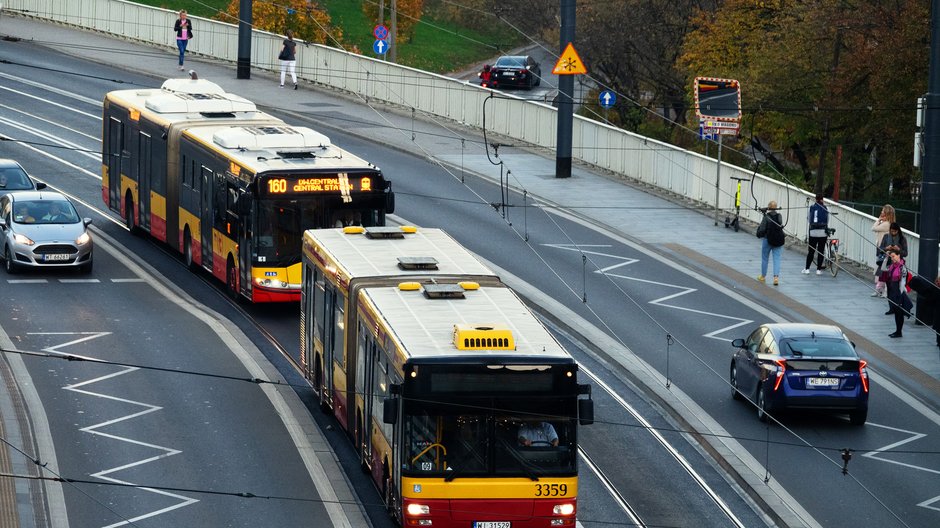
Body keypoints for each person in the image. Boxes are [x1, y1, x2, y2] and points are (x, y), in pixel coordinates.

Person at [884, 249, 913, 338]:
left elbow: (903, 282)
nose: (892, 258)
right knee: (896, 313)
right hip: (893, 291)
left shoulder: (902, 267)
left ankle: (899, 332)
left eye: (893, 256)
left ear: (898, 255)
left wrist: (899, 297)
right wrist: (886, 258)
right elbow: (883, 269)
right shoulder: (892, 266)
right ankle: (897, 331)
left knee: (899, 313)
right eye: (891, 257)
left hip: (899, 292)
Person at [756, 200, 785, 286]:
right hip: (778, 240)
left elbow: (762, 229)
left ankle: (763, 276)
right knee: (777, 259)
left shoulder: (766, 217)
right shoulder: (779, 216)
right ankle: (776, 278)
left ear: (768, 208)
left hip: (767, 240)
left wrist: (758, 233)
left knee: (765, 258)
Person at [871, 204, 896, 297]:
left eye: (883, 211)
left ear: (886, 214)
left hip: (883, 249)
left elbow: (873, 228)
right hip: (884, 248)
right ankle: (880, 289)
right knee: (883, 269)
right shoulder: (889, 224)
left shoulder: (886, 224)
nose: (881, 212)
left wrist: (878, 219)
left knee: (882, 269)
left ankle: (883, 290)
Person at [802, 193, 829, 275]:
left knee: (811, 251)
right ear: (822, 199)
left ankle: (807, 269)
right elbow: (827, 220)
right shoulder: (825, 208)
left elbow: (809, 219)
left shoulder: (812, 207)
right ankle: (818, 270)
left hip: (813, 232)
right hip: (823, 233)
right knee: (821, 251)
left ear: (815, 199)